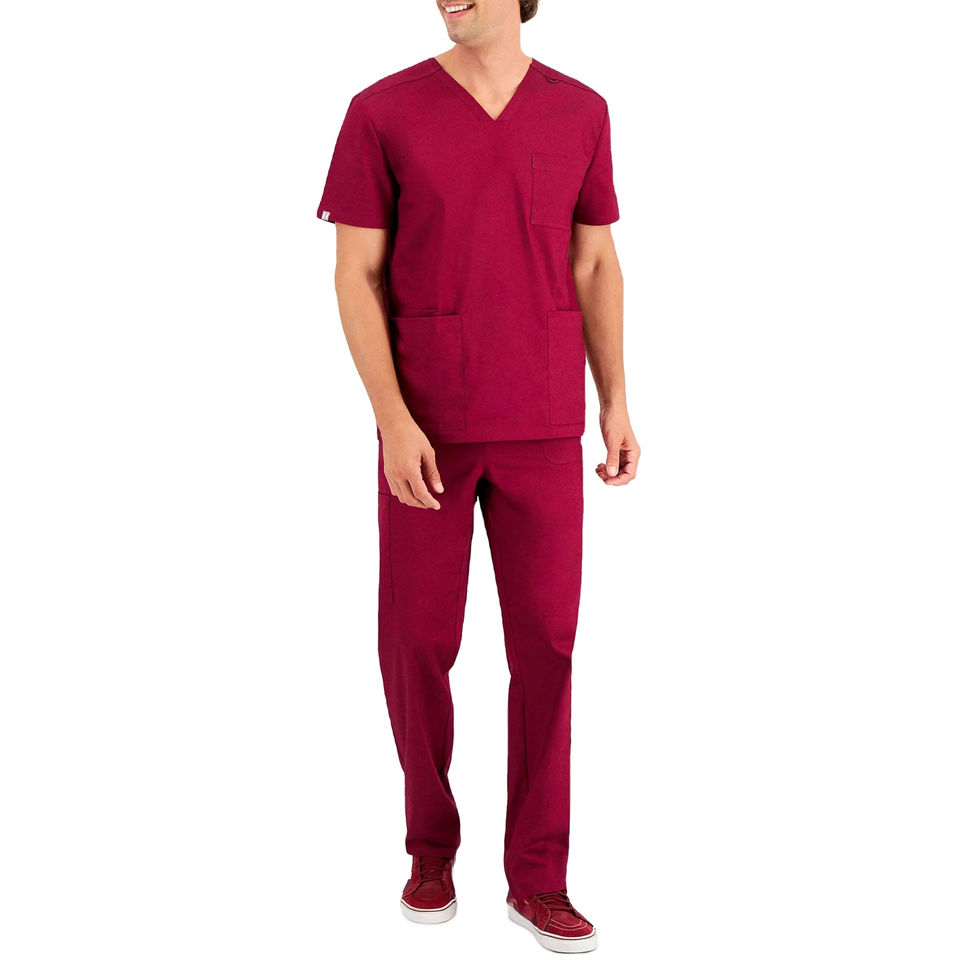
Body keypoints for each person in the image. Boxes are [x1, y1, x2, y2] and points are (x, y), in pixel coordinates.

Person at [315, 0, 638, 952]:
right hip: (429, 427)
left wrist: (616, 399)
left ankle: (538, 876)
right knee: (416, 645)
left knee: (546, 647)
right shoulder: (382, 112)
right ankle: (429, 848)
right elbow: (355, 274)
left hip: (542, 417)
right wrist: (391, 418)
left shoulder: (580, 111)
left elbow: (594, 261)